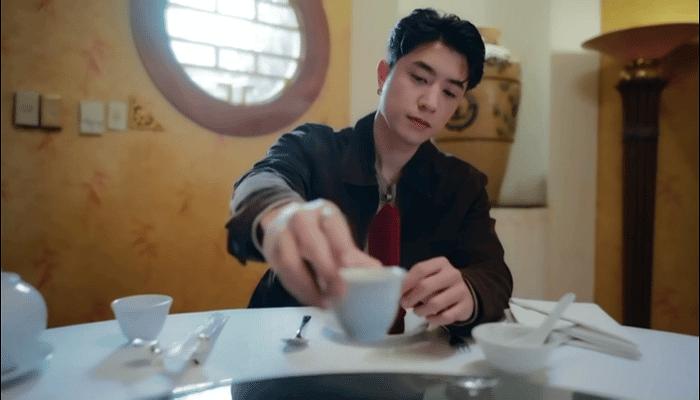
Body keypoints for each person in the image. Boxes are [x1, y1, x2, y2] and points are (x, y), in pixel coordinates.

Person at [226, 8, 512, 337]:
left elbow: (494, 274)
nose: (430, 103)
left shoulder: (463, 186)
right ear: (383, 75)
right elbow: (262, 180)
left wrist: (469, 291)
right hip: (293, 343)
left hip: (403, 357)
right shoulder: (314, 149)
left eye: (449, 92)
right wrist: (279, 211)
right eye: (419, 78)